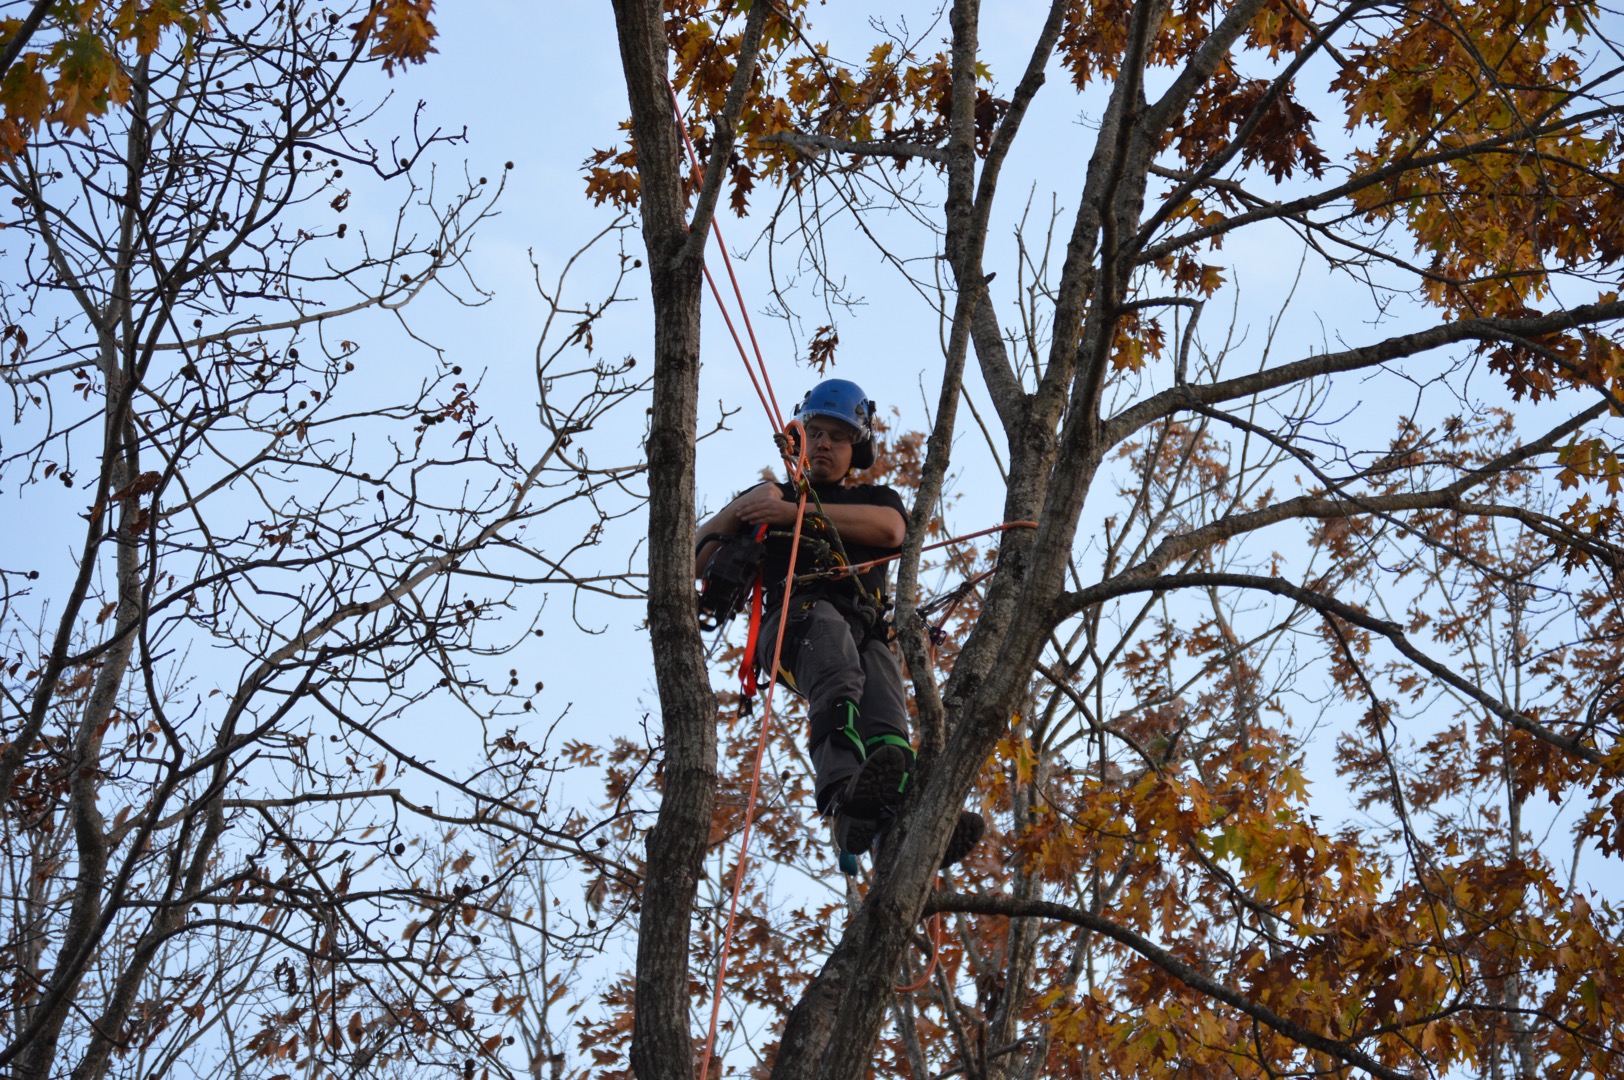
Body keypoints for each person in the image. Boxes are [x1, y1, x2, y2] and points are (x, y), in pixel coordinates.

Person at [695, 378, 982, 870]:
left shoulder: (876, 500)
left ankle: (895, 826)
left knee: (882, 684)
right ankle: (842, 792)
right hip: (794, 623)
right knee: (832, 645)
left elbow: (892, 530)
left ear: (858, 448)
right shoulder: (769, 496)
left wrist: (793, 512)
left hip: (864, 630)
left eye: (839, 436)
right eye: (816, 432)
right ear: (798, 440)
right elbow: (693, 554)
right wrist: (739, 516)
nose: (825, 443)